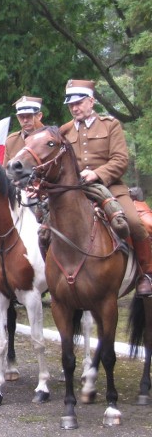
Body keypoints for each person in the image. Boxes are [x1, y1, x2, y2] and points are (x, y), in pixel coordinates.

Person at [60, 79, 152, 297]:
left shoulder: (110, 125)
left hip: (110, 186)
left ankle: (146, 274)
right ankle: (53, 277)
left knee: (133, 222)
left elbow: (121, 160)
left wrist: (97, 174)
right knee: (45, 227)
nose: (75, 108)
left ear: (91, 101)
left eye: (79, 103)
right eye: (71, 105)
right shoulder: (64, 131)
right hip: (75, 190)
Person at [3, 96, 45, 166]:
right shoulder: (11, 141)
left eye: (29, 116)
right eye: (21, 116)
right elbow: (6, 172)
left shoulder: (51, 138)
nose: (25, 120)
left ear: (39, 116)